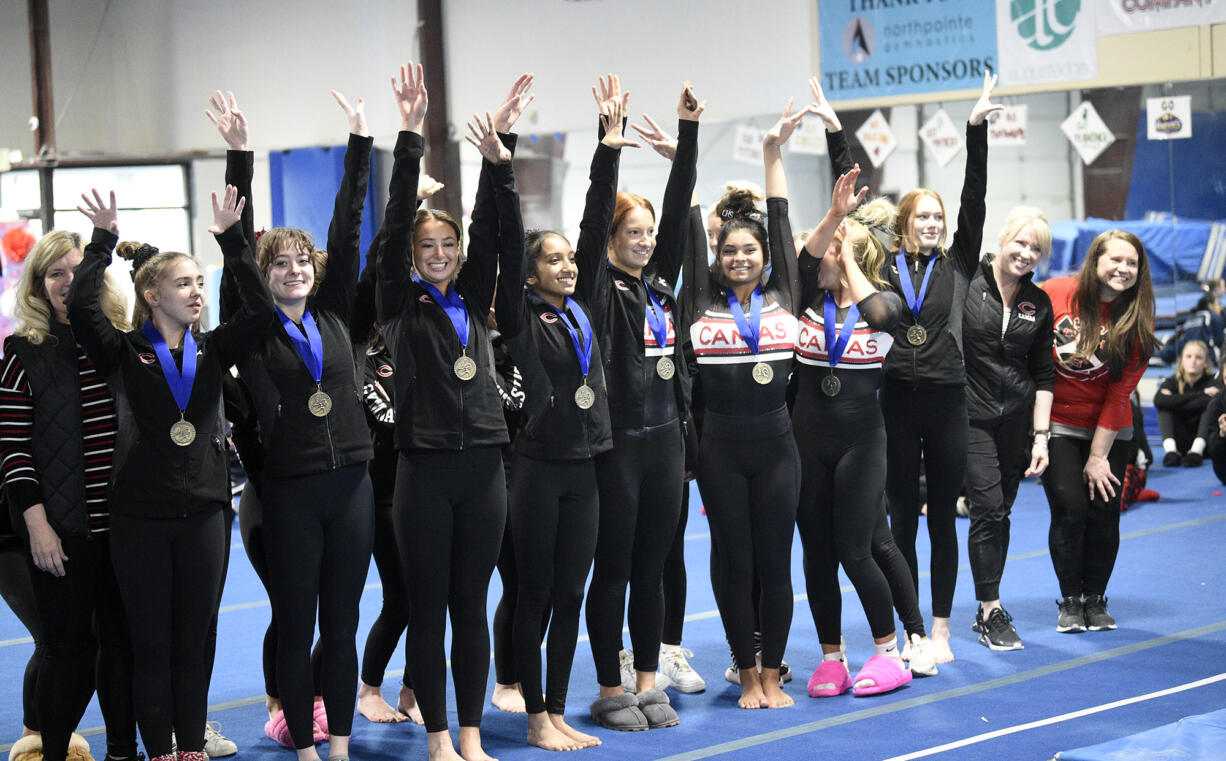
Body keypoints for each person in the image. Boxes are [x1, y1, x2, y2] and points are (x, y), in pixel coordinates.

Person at [67, 187, 274, 761]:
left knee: (196, 641)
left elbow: (257, 311)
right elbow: (84, 307)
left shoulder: (211, 350)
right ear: (151, 294)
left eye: (199, 284)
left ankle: (190, 747)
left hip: (207, 512)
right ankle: (158, 749)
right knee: (151, 643)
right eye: (184, 284)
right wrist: (102, 241)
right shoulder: (124, 351)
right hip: (139, 517)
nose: (197, 294)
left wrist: (234, 242)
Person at [212, 86, 376, 760]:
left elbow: (348, 222)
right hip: (284, 491)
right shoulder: (252, 327)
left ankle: (338, 742)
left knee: (342, 623)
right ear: (263, 273)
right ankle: (304, 745)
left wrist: (360, 144)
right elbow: (236, 254)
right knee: (297, 615)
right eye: (280, 262)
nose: (294, 268)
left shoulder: (335, 313)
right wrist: (239, 156)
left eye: (302, 259)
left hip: (350, 485)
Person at [375, 63, 528, 761]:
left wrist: (501, 158)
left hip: (485, 465)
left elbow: (499, 238)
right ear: (411, 255)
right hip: (425, 470)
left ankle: (471, 734)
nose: (437, 255)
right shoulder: (399, 304)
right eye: (425, 247)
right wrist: (409, 137)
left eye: (446, 246)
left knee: (472, 609)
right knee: (430, 611)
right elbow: (389, 232)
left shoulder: (473, 298)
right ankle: (437, 736)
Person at [823, 71, 1002, 663]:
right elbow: (850, 201)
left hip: (949, 400)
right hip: (894, 399)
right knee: (901, 517)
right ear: (904, 224)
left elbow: (975, 194)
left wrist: (976, 129)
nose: (931, 224)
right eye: (921, 217)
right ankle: (911, 628)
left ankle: (945, 629)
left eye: (938, 218)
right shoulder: (881, 263)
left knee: (945, 522)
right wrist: (834, 135)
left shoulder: (956, 263)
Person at [495, 77, 640, 750]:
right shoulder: (524, 319)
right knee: (535, 595)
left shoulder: (590, 307)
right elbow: (509, 237)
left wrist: (608, 148)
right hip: (537, 469)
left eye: (570, 258)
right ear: (528, 276)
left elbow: (590, 220)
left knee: (572, 598)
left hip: (587, 466)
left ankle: (555, 708)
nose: (568, 264)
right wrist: (503, 156)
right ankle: (532, 716)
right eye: (552, 259)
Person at [582, 79, 701, 729]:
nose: (645, 239)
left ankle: (649, 678)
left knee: (653, 570)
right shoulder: (601, 290)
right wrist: (608, 143)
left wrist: (686, 135)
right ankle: (609, 686)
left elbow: (680, 205)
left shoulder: (658, 286)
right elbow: (597, 213)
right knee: (615, 570)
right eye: (633, 231)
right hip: (619, 447)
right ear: (612, 237)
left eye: (649, 231)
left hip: (665, 446)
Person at [685, 99, 808, 710]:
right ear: (718, 255)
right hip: (721, 449)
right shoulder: (701, 299)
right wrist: (684, 149)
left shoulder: (783, 291)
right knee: (734, 561)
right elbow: (686, 232)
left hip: (777, 445)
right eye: (729, 251)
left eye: (750, 251)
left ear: (764, 257)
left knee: (776, 562)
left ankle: (772, 672)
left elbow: (780, 219)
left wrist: (771, 152)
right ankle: (745, 668)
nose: (740, 258)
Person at [0, 230, 137, 761]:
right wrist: (37, 525)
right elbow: (11, 450)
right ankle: (52, 752)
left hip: (126, 527)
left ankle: (123, 751)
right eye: (53, 272)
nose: (65, 281)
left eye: (75, 270)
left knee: (122, 650)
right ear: (37, 285)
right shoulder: (21, 353)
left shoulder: (122, 342)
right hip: (61, 531)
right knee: (67, 652)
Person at [791, 165, 918, 697]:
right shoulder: (803, 301)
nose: (815, 254)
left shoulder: (882, 304)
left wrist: (846, 261)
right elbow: (801, 261)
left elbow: (884, 315)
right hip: (807, 443)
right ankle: (832, 657)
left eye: (831, 251)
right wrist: (834, 220)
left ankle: (890, 652)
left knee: (855, 549)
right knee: (816, 553)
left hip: (862, 444)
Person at [1042, 229, 1158, 633]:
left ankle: (1095, 598)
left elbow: (1120, 393)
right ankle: (1070, 599)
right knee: (1070, 510)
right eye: (1116, 260)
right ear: (1096, 261)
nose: (1123, 269)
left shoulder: (1136, 319)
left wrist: (1098, 456)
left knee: (1104, 515)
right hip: (1058, 423)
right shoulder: (1056, 292)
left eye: (1132, 264)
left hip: (1110, 430)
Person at [961, 207, 1056, 651]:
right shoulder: (967, 283)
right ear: (1002, 239)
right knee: (989, 510)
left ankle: (990, 603)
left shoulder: (1038, 302)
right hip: (971, 417)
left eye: (1036, 248)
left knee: (1002, 514)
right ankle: (989, 610)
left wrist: (1042, 438)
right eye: (1020, 242)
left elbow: (1043, 374)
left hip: (1018, 422)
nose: (1026, 253)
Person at [1154, 340, 1218, 466]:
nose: (1193, 361)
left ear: (1205, 363)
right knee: (1164, 409)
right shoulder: (1173, 381)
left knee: (1209, 407)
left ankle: (1196, 452)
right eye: (1188, 356)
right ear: (1182, 361)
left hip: (1205, 443)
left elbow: (1210, 401)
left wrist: (1176, 401)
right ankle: (1171, 452)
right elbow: (1159, 400)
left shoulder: (1213, 381)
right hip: (1181, 440)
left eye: (1198, 357)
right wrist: (1201, 394)